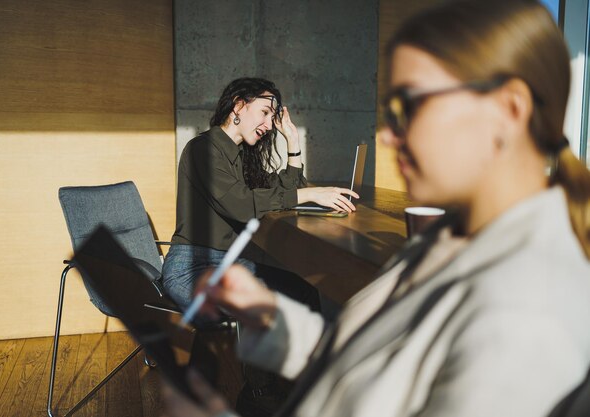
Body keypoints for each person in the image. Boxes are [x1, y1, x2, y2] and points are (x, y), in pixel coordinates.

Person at [161, 1, 590, 416]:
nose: (387, 136)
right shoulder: (451, 241)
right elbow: (365, 365)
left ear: (509, 110)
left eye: (411, 105)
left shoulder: (529, 317)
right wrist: (274, 320)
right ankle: (260, 393)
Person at [162, 77, 358, 313]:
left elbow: (286, 187)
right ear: (238, 106)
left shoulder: (242, 156)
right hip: (191, 269)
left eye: (271, 117)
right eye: (264, 112)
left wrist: (293, 142)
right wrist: (309, 194)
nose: (268, 125)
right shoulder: (202, 149)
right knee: (290, 302)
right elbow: (242, 205)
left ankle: (308, 349)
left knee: (302, 291)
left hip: (228, 265)